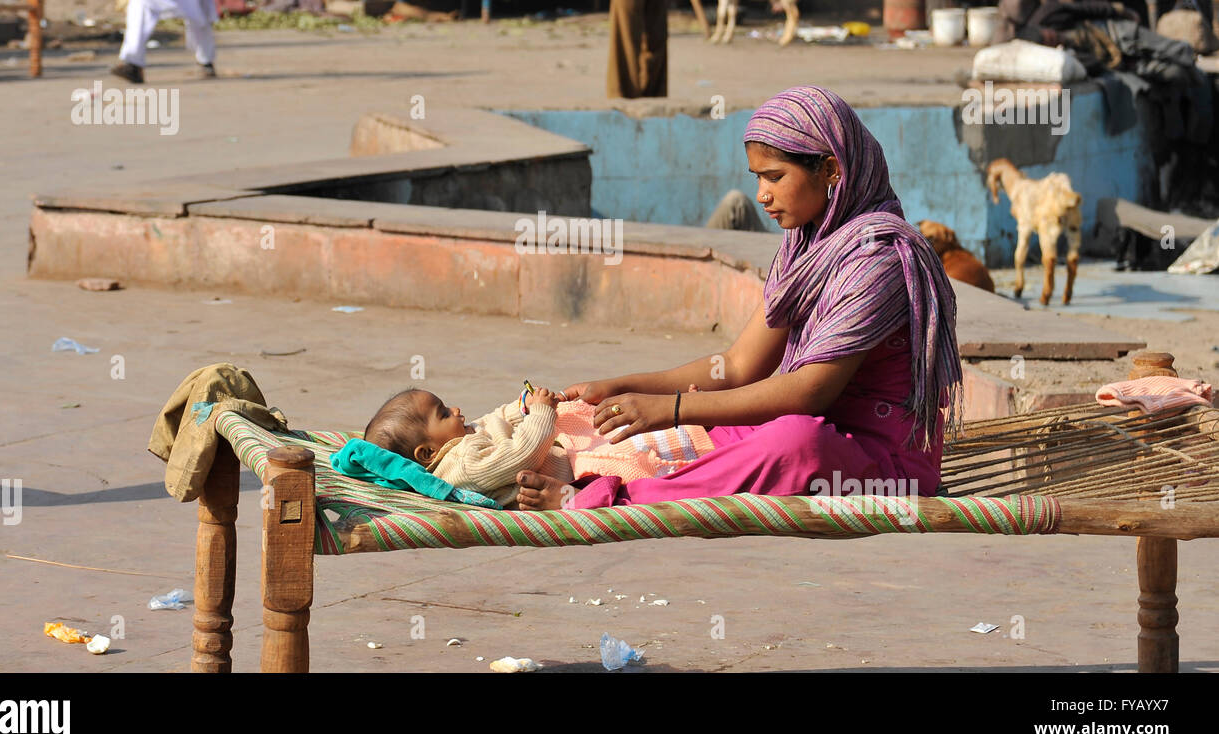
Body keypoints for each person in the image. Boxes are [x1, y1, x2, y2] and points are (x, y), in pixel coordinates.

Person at [516, 85, 963, 511]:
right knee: (683, 426)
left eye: (774, 177)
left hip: (880, 462)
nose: (761, 195)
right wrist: (621, 387)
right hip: (811, 425)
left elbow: (809, 393)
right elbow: (736, 367)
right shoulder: (808, 245)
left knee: (794, 444)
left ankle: (619, 501)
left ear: (830, 170)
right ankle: (615, 471)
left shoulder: (877, 257)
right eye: (757, 178)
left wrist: (669, 409)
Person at [363, 385, 715, 509]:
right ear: (426, 453)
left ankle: (693, 416)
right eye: (443, 413)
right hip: (573, 469)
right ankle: (698, 435)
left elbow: (495, 420)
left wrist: (523, 406)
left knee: (605, 423)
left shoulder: (462, 440)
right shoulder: (464, 466)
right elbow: (522, 454)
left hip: (566, 449)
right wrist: (542, 414)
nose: (456, 410)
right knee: (632, 449)